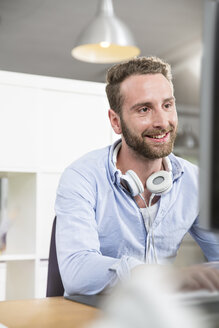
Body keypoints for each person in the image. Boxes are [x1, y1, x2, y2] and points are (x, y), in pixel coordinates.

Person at [55, 56, 219, 296]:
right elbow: (76, 272)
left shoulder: (194, 180)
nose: (162, 122)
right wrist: (164, 277)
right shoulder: (82, 177)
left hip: (159, 312)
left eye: (167, 105)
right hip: (97, 315)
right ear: (116, 121)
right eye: (144, 109)